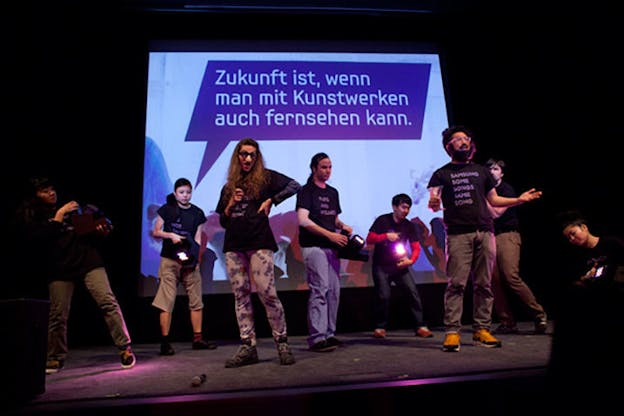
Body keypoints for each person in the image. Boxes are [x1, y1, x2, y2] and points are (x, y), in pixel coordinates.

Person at [427, 126, 542, 352]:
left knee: (484, 284)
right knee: (457, 284)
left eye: (465, 138)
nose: (462, 141)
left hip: (485, 232)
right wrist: (433, 201)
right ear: (448, 147)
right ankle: (452, 332)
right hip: (458, 234)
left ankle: (482, 329)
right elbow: (434, 195)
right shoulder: (441, 173)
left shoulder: (482, 172)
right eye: (457, 139)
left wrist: (519, 200)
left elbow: (495, 200)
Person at [15, 176, 136, 373]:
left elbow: (100, 220)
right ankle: (55, 356)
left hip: (88, 260)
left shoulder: (72, 205)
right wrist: (60, 215)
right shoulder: (33, 215)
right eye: (45, 191)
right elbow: (41, 238)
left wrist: (102, 227)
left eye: (52, 188)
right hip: (59, 267)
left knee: (107, 301)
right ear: (35, 195)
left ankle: (125, 348)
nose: (51, 193)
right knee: (58, 313)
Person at [215, 138, 300, 367]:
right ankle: (248, 346)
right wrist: (230, 204)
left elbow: (295, 185)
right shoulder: (228, 187)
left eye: (252, 155)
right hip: (234, 245)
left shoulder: (265, 178)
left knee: (268, 293)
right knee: (241, 295)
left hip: (259, 241)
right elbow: (223, 220)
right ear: (237, 156)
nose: (248, 159)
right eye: (244, 154)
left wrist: (273, 199)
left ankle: (282, 342)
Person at [548, 210, 624, 407]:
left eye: (574, 233)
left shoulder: (612, 244)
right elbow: (573, 283)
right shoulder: (576, 256)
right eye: (568, 237)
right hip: (591, 302)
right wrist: (584, 280)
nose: (572, 239)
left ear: (584, 227)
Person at [152, 177, 217, 355]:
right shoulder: (167, 209)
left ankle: (198, 338)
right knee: (167, 300)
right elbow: (156, 231)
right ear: (175, 193)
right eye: (181, 192)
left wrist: (195, 258)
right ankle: (165, 342)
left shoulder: (197, 213)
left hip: (190, 262)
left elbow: (197, 237)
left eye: (188, 192)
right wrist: (170, 235)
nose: (185, 196)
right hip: (170, 260)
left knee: (196, 300)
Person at [296, 152, 353, 352]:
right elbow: (303, 220)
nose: (327, 171)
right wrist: (330, 235)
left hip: (332, 247)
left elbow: (334, 219)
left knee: (334, 291)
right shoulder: (306, 191)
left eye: (329, 167)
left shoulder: (333, 192)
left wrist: (343, 226)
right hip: (313, 246)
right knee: (320, 289)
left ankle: (329, 334)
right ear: (314, 169)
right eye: (323, 167)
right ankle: (317, 337)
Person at [485, 159, 547, 334]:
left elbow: (495, 213)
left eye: (495, 169)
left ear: (501, 173)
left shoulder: (506, 189)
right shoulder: (485, 191)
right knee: (493, 281)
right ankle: (507, 321)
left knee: (510, 276)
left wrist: (482, 199)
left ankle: (538, 313)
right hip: (489, 237)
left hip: (507, 235)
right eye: (489, 168)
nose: (491, 171)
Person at [366, 193, 433, 339]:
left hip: (400, 265)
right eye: (403, 207)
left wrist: (411, 261)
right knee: (383, 295)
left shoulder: (408, 225)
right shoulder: (382, 220)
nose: (406, 211)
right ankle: (380, 327)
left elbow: (416, 247)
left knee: (412, 292)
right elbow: (369, 239)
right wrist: (385, 236)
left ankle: (420, 325)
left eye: (408, 208)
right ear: (394, 207)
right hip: (381, 265)